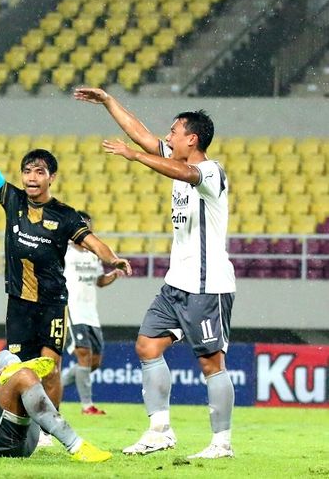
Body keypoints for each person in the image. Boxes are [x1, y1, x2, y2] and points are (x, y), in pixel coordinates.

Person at [0, 111, 132, 415]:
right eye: (28, 171)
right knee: (18, 371)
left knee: (51, 369)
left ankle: (49, 429)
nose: (32, 177)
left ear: (51, 177)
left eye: (40, 171)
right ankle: (17, 425)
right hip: (19, 304)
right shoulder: (11, 199)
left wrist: (113, 260)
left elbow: (91, 241)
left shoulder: (65, 215)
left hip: (53, 303)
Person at [74, 87, 236, 459]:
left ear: (192, 138)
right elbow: (142, 134)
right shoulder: (176, 161)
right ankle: (160, 430)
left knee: (211, 362)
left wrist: (134, 157)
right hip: (176, 283)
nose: (167, 136)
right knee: (147, 345)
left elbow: (179, 169)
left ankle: (221, 443)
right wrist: (110, 103)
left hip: (207, 285)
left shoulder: (210, 172)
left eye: (175, 132)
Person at [61, 211, 123, 416]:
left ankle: (54, 383)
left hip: (91, 314)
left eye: (89, 226)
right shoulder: (64, 252)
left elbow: (99, 281)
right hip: (73, 311)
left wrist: (112, 275)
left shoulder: (93, 256)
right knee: (84, 356)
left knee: (94, 362)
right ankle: (87, 406)